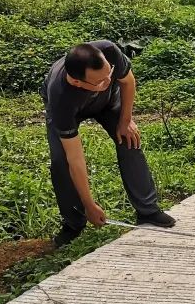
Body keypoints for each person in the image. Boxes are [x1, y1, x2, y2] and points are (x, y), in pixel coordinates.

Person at [41, 41, 176, 247]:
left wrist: (126, 120)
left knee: (130, 140)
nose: (108, 80)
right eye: (101, 81)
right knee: (61, 163)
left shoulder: (108, 52)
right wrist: (89, 205)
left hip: (107, 104)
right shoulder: (61, 98)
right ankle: (73, 223)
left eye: (109, 74)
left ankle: (148, 211)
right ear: (78, 82)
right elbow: (75, 159)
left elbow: (127, 81)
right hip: (71, 109)